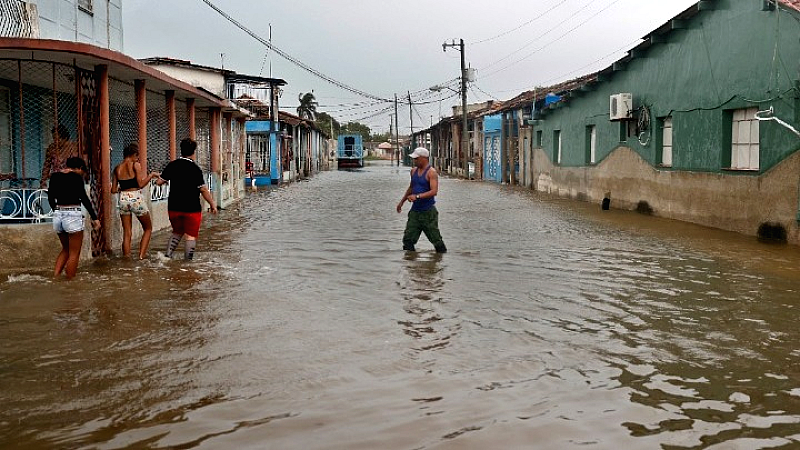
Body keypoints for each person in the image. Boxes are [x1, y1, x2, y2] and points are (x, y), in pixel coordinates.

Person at [156, 138, 218, 260]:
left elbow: (159, 182)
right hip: (192, 209)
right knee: (190, 235)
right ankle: (187, 264)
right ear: (193, 152)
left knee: (177, 232)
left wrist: (158, 176)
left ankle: (167, 257)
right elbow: (203, 190)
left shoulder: (172, 165)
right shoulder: (196, 169)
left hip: (174, 208)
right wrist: (212, 204)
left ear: (181, 150)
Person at [47, 157, 100, 279]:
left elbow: (50, 197)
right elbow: (84, 199)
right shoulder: (77, 177)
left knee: (65, 249)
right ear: (80, 168)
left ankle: (55, 277)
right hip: (72, 215)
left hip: (58, 215)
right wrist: (94, 217)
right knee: (74, 253)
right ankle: (69, 283)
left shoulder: (55, 176)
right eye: (83, 171)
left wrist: (57, 210)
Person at [111, 143, 160, 259]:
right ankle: (141, 257)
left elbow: (113, 190)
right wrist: (151, 175)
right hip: (136, 199)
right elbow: (141, 184)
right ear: (133, 155)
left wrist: (123, 189)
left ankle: (126, 259)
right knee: (148, 228)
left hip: (123, 199)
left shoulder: (117, 168)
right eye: (137, 156)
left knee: (127, 233)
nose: (138, 159)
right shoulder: (135, 165)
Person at [396, 147, 447, 253]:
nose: (414, 161)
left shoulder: (431, 172)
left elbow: (434, 191)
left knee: (436, 241)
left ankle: (439, 263)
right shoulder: (413, 171)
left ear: (424, 158)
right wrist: (402, 202)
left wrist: (417, 196)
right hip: (415, 212)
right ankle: (411, 266)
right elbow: (411, 187)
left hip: (428, 212)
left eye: (416, 159)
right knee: (407, 241)